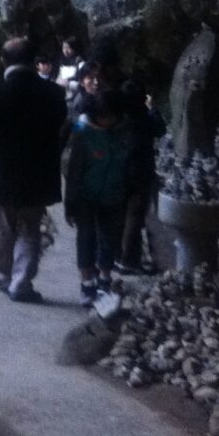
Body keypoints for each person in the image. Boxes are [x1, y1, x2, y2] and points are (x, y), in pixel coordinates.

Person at [0, 36, 67, 303]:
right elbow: (62, 128)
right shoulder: (52, 94)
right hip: (38, 174)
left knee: (2, 229)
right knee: (30, 230)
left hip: (3, 172)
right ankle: (21, 282)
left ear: (3, 61)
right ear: (34, 61)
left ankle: (2, 277)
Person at [63, 90, 131, 306]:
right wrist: (70, 202)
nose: (106, 120)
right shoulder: (82, 130)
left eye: (110, 115)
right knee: (86, 238)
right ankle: (87, 284)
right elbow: (72, 168)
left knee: (109, 239)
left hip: (114, 195)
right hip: (85, 196)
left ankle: (104, 278)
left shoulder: (124, 130)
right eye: (102, 116)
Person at [117, 78, 166, 273]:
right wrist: (152, 108)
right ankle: (128, 261)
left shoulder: (118, 117)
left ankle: (116, 256)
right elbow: (160, 129)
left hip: (118, 170)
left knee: (120, 213)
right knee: (135, 216)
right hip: (140, 171)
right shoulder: (145, 119)